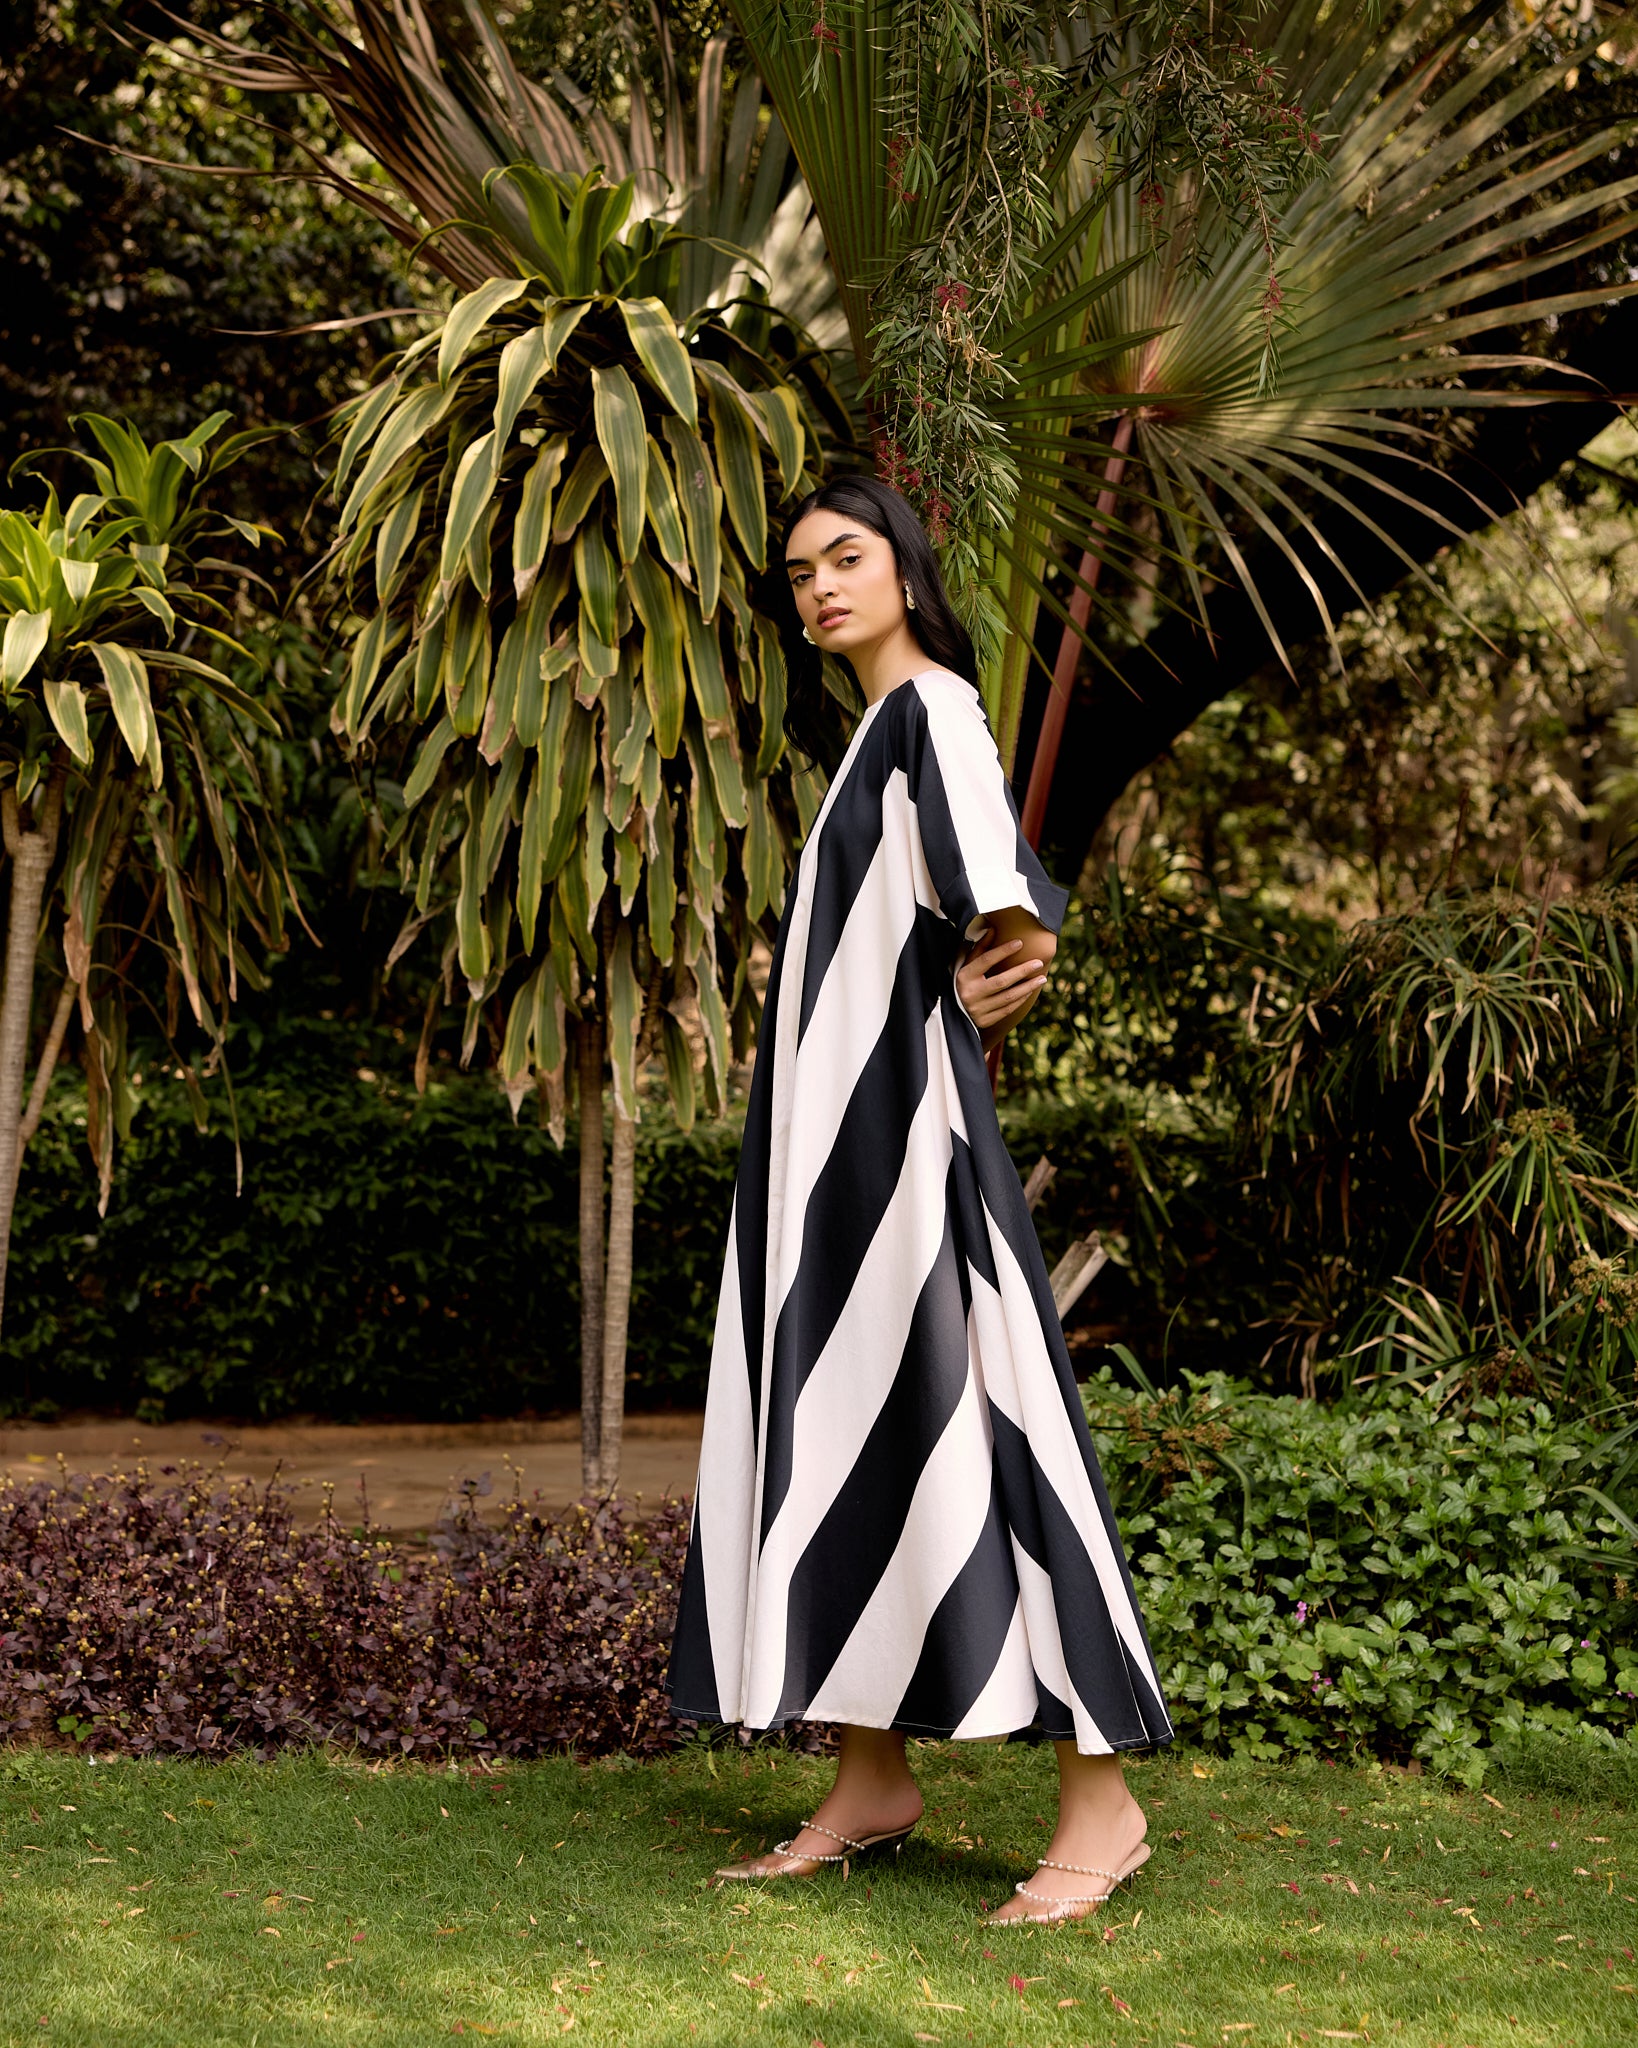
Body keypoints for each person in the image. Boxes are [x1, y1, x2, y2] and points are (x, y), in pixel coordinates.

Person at [667, 476, 1173, 1926]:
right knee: (844, 1431)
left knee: (995, 1424)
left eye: (847, 557)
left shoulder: (930, 709)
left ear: (904, 567)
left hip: (902, 1141)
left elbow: (1001, 900)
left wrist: (1009, 958)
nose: (822, 586)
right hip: (832, 1150)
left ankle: (1102, 1804)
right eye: (799, 574)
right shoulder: (873, 732)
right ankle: (869, 1778)